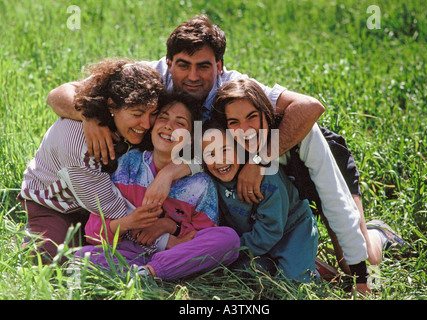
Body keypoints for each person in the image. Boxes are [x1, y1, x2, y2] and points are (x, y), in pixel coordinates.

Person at [45, 14, 325, 207]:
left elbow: (309, 106)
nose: (192, 76)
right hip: (140, 177)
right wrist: (88, 114)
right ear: (168, 63)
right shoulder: (148, 75)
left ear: (219, 67)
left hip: (220, 176)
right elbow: (57, 95)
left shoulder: (233, 87)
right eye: (183, 65)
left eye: (203, 66)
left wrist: (259, 159)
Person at [211, 79, 393, 293]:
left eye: (252, 117)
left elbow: (337, 202)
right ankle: (305, 260)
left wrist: (364, 281)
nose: (245, 129)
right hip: (286, 193)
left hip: (325, 169)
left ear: (267, 113)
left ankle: (379, 233)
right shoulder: (231, 143)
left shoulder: (304, 135)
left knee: (357, 262)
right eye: (234, 122)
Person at [77, 91, 240, 280]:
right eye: (163, 118)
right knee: (81, 257)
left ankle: (150, 273)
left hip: (174, 257)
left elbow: (200, 238)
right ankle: (142, 273)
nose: (169, 127)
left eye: (180, 123)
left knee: (229, 239)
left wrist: (171, 227)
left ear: (190, 137)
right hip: (126, 252)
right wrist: (128, 222)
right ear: (152, 125)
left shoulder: (201, 184)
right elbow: (92, 232)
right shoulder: (128, 164)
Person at [19, 59, 165, 263]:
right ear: (112, 106)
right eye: (137, 114)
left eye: (153, 114)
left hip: (97, 201)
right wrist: (161, 231)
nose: (147, 124)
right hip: (58, 205)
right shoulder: (77, 142)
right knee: (51, 259)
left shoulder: (124, 123)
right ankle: (40, 233)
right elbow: (110, 207)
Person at [202, 122, 318, 282]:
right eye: (210, 154)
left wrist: (230, 249)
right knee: (240, 276)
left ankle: (310, 266)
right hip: (254, 240)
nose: (220, 160)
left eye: (226, 150)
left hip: (291, 231)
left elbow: (270, 230)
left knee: (293, 284)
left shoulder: (266, 178)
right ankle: (271, 263)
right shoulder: (212, 180)